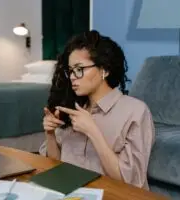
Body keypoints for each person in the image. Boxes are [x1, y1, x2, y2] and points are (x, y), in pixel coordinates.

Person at [40, 30, 155, 190]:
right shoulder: (73, 108)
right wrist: (50, 134)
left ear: (104, 70)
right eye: (71, 70)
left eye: (79, 69)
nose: (73, 76)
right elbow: (57, 166)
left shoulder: (136, 112)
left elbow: (131, 182)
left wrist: (92, 131)